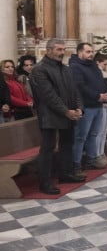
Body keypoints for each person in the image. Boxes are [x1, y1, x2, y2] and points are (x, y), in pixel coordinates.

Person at [30, 39, 85, 194]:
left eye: (63, 49)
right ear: (48, 50)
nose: (62, 53)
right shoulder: (39, 69)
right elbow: (49, 95)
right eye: (59, 49)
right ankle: (45, 182)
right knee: (47, 149)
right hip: (50, 115)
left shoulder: (65, 69)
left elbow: (75, 91)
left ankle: (65, 173)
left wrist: (79, 108)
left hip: (68, 114)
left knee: (67, 144)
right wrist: (66, 111)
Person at [69, 43, 107, 173]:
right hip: (86, 106)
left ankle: (91, 159)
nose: (91, 54)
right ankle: (76, 164)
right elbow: (80, 86)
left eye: (92, 52)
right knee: (81, 136)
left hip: (98, 105)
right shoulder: (75, 66)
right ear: (79, 52)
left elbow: (101, 81)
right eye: (88, 52)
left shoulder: (93, 65)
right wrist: (97, 96)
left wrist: (104, 94)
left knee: (93, 134)